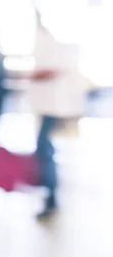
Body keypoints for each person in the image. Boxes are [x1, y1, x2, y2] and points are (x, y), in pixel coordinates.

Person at [28, 14, 88, 219]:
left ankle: (51, 198)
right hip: (50, 108)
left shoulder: (57, 51)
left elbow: (49, 72)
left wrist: (33, 75)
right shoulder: (53, 48)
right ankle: (49, 196)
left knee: (44, 149)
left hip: (55, 108)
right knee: (44, 148)